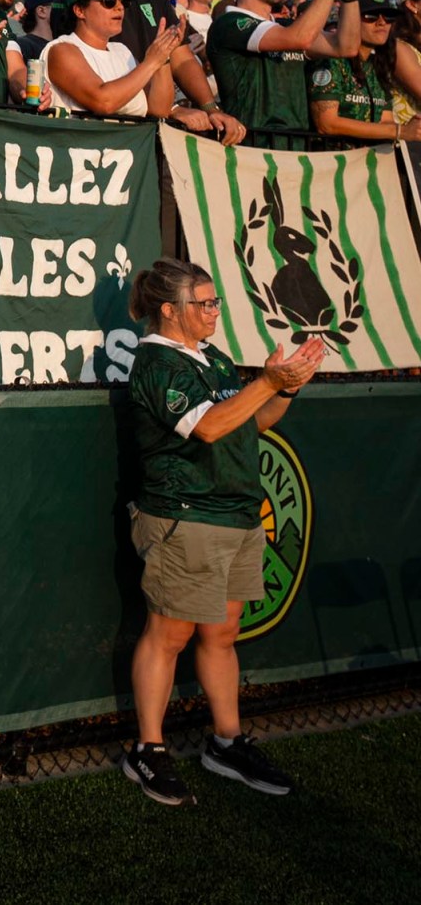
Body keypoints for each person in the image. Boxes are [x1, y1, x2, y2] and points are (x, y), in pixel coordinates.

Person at [121, 257, 324, 806]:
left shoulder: (209, 357)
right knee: (170, 634)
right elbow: (209, 426)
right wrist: (266, 380)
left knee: (222, 633)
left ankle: (226, 743)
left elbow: (253, 420)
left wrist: (286, 388)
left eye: (214, 302)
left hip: (236, 514)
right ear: (170, 310)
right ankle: (148, 751)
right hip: (184, 515)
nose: (214, 312)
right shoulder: (157, 364)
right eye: (203, 303)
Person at [45, 0, 240, 137]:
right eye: (109, 1)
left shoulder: (121, 52)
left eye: (124, 2)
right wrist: (151, 62)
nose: (119, 7)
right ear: (80, 10)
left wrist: (164, 58)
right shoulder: (63, 49)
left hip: (124, 163)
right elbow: (103, 101)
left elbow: (159, 108)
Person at [208, 0, 360, 139]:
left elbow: (346, 46)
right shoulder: (230, 24)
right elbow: (301, 38)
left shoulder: (286, 25)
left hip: (294, 147)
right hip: (253, 147)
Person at [308, 0, 421, 142]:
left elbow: (385, 120)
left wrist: (412, 128)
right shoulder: (330, 60)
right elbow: (327, 124)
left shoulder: (378, 64)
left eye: (389, 17)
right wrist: (399, 131)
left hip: (370, 162)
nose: (382, 22)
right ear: (350, 20)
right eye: (371, 16)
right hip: (333, 160)